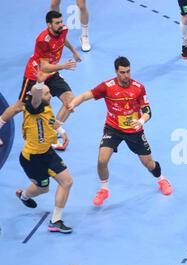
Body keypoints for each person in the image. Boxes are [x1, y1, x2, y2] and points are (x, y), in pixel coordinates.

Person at [65, 56, 173, 206]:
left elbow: (148, 111)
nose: (126, 76)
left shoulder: (138, 88)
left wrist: (141, 121)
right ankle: (104, 190)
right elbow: (85, 96)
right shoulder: (107, 87)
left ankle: (162, 179)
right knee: (102, 160)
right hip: (113, 128)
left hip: (134, 130)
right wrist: (73, 104)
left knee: (149, 163)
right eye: (122, 72)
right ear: (116, 72)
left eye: (128, 71)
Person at [0, 11, 80, 150]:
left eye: (61, 21)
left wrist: (73, 50)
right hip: (36, 74)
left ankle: (53, 130)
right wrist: (63, 66)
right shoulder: (43, 40)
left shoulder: (63, 29)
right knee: (20, 106)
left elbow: (62, 40)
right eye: (57, 23)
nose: (61, 25)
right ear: (49, 25)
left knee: (69, 101)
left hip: (52, 73)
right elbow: (44, 66)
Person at [16, 71, 73, 233]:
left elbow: (50, 121)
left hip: (47, 153)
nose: (50, 96)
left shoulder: (47, 108)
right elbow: (35, 95)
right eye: (47, 94)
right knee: (43, 188)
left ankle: (56, 220)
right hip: (32, 158)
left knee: (67, 182)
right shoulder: (32, 107)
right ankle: (24, 196)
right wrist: (39, 84)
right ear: (40, 97)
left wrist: (61, 131)